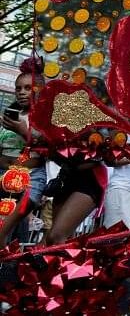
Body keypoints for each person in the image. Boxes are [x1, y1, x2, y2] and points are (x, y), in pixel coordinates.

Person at [0, 63, 48, 244]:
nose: (21, 92)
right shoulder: (9, 117)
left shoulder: (46, 119)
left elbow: (49, 147)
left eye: (28, 88)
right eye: (18, 88)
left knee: (6, 230)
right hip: (3, 178)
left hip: (31, 179)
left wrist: (24, 131)